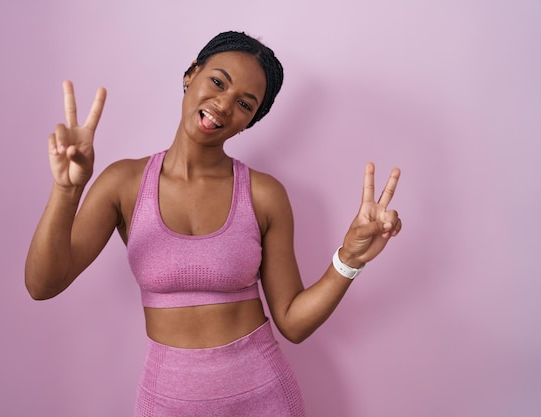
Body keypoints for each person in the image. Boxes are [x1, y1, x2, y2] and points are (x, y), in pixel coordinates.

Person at [25, 31, 402, 417]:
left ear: (250, 121)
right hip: (167, 403)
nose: (222, 105)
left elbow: (292, 322)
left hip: (265, 397)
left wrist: (350, 259)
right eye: (218, 82)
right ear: (192, 73)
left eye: (244, 103)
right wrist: (66, 191)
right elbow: (43, 285)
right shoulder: (123, 183)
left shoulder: (263, 194)